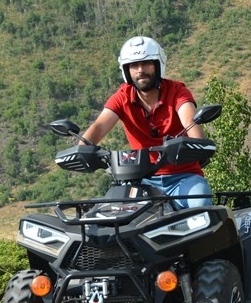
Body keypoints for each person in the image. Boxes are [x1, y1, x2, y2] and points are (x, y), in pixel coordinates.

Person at [80, 36, 212, 208]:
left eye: (146, 63)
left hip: (184, 177)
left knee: (200, 201)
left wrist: (197, 142)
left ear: (157, 65)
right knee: (113, 214)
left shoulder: (177, 91)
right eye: (134, 65)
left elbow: (189, 119)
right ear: (127, 70)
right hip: (141, 180)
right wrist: (83, 149)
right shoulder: (122, 97)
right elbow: (99, 125)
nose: (140, 70)